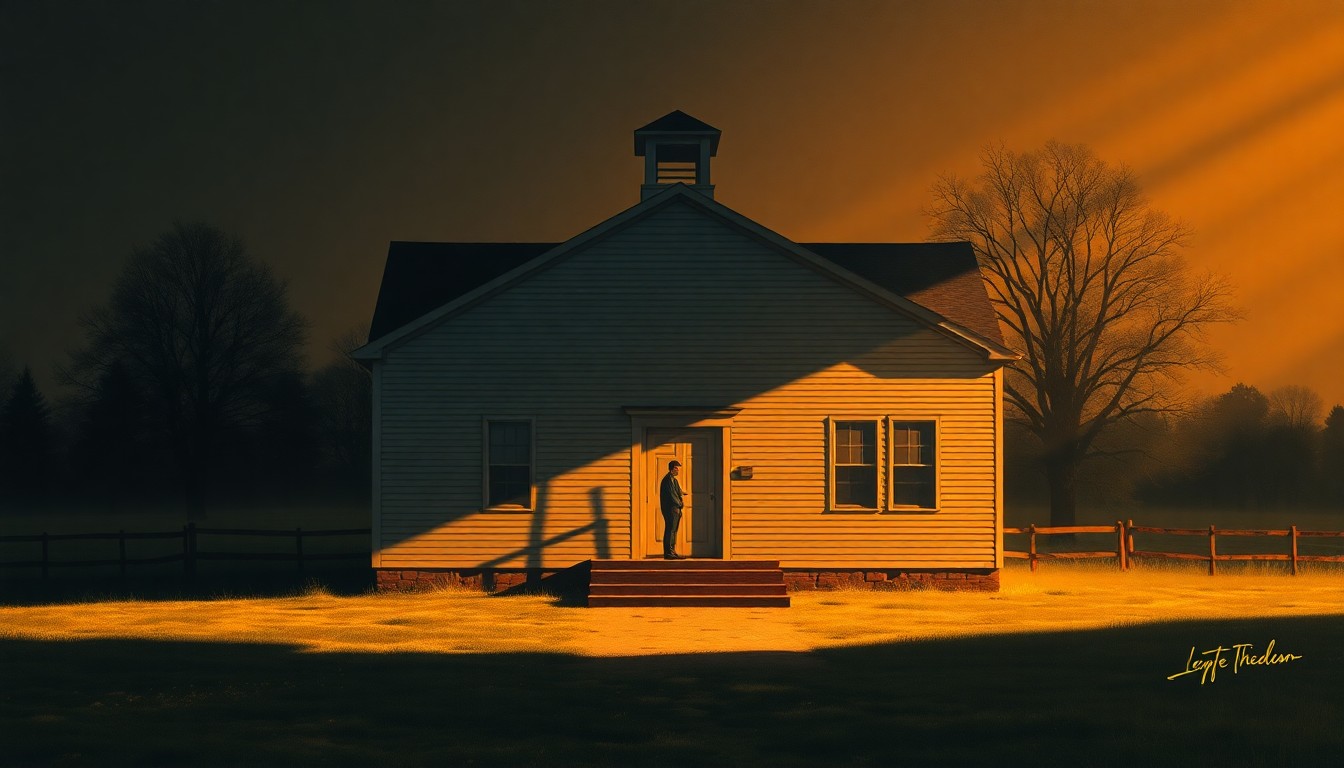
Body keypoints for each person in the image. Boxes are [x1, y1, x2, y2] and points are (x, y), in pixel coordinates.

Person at [659, 460, 686, 559]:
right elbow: (672, 495)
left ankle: (672, 551)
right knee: (670, 530)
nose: (677, 470)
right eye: (676, 468)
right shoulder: (667, 480)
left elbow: (678, 491)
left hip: (675, 509)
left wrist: (681, 496)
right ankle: (668, 552)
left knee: (673, 530)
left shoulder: (674, 480)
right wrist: (679, 503)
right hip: (670, 509)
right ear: (671, 469)